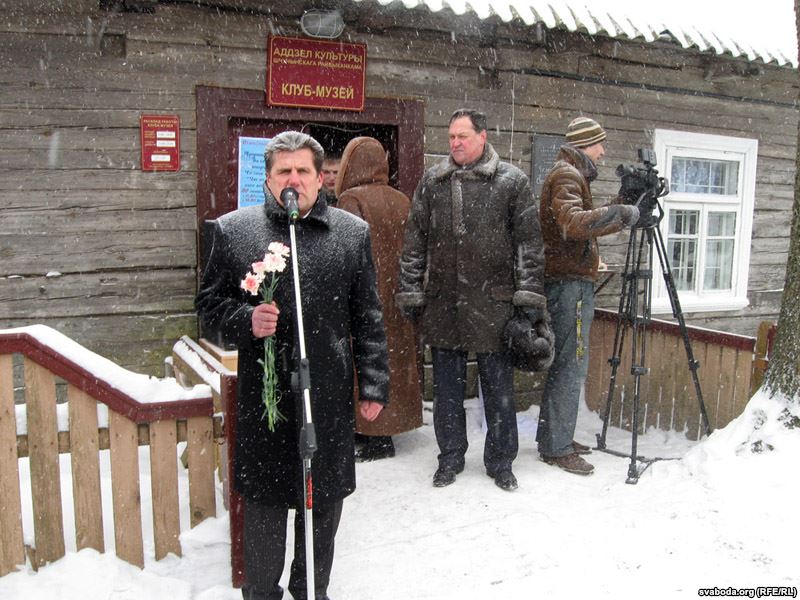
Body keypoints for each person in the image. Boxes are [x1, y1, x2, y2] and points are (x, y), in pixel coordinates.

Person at [196, 130, 389, 600]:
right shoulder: (233, 230)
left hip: (325, 397)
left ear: (321, 179)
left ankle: (311, 591)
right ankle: (262, 592)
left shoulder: (350, 233)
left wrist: (374, 384)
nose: (294, 180)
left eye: (304, 171)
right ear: (268, 178)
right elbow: (208, 309)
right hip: (266, 406)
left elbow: (368, 316)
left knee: (320, 511)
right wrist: (247, 320)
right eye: (285, 170)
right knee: (264, 511)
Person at [396, 108, 548, 492]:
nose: (456, 143)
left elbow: (529, 246)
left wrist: (528, 299)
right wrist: (411, 288)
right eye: (451, 137)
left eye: (463, 136)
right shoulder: (433, 181)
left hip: (496, 305)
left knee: (498, 390)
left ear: (483, 136)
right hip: (444, 302)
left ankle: (501, 462)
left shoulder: (511, 181)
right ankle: (449, 458)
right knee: (447, 391)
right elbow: (415, 242)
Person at [536, 116, 639, 476]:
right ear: (584, 144)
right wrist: (621, 214)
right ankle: (557, 447)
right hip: (568, 287)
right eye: (599, 144)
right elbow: (572, 223)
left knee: (565, 362)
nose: (603, 151)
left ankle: (555, 436)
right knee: (572, 364)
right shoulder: (567, 175)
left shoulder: (570, 174)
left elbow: (577, 220)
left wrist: (619, 203)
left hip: (568, 283)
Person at [335, 136, 423, 462]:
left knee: (366, 362)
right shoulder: (402, 199)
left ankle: (374, 436)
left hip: (366, 296)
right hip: (398, 297)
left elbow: (345, 254)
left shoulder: (351, 200)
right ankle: (389, 426)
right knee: (395, 361)